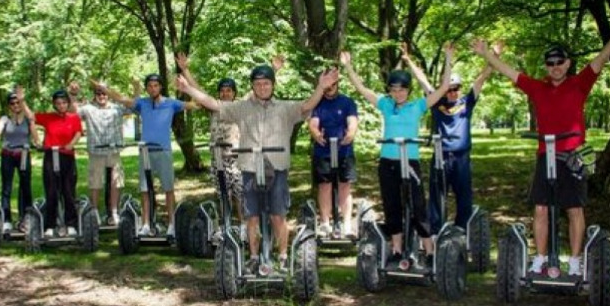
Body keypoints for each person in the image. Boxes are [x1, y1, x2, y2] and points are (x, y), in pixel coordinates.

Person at [472, 9, 610, 276]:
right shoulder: (538, 88)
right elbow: (508, 72)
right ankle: (541, 258)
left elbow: (603, 57)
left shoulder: (579, 84)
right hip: (545, 154)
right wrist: (487, 54)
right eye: (550, 62)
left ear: (567, 64)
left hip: (573, 155)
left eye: (559, 61)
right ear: (546, 66)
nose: (555, 66)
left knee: (574, 208)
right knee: (541, 208)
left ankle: (576, 261)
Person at [177, 64, 337, 274]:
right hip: (251, 168)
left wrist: (321, 87)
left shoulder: (285, 108)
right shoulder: (242, 108)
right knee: (251, 216)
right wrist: (188, 90)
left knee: (277, 215)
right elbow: (214, 104)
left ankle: (282, 257)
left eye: (266, 83)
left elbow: (307, 106)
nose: (262, 87)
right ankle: (253, 257)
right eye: (258, 84)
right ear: (252, 86)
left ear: (273, 85)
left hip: (277, 167)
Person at [340, 44, 452, 267]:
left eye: (401, 89)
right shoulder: (385, 104)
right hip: (388, 161)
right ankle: (397, 249)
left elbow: (443, 88)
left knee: (418, 205)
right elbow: (361, 88)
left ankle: (429, 250)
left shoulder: (418, 106)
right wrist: (348, 66)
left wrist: (448, 58)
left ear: (408, 90)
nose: (397, 93)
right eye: (393, 89)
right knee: (392, 207)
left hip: (409, 161)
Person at [399, 42, 499, 234]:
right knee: (437, 197)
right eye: (449, 88)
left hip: (461, 157)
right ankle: (435, 233)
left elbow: (482, 78)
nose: (452, 92)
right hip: (440, 156)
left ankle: (463, 231)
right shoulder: (437, 101)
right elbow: (422, 81)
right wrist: (408, 60)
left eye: (456, 88)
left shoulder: (467, 101)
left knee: (464, 197)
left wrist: (493, 55)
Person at [107, 73, 200, 237]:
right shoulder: (142, 103)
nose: (152, 88)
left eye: (156, 85)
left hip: (163, 151)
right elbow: (121, 99)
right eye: (149, 86)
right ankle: (145, 224)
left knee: (168, 189)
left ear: (161, 87)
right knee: (145, 190)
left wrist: (187, 84)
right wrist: (104, 89)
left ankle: (171, 225)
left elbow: (197, 104)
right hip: (145, 152)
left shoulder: (171, 103)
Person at [70, 80, 140, 225]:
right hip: (96, 151)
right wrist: (73, 94)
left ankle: (114, 212)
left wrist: (137, 89)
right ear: (95, 95)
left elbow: (134, 106)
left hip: (114, 151)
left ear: (108, 93)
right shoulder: (88, 109)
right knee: (95, 183)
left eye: (104, 93)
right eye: (98, 93)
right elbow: (73, 112)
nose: (101, 96)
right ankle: (94, 211)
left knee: (117, 181)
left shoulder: (117, 108)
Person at [18, 87, 83, 237]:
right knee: (52, 192)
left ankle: (71, 224)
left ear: (67, 104)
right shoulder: (48, 117)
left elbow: (78, 132)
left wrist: (71, 144)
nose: (61, 105)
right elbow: (31, 116)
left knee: (68, 191)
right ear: (54, 104)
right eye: (58, 103)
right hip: (50, 155)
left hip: (67, 156)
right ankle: (50, 225)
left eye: (64, 103)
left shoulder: (73, 118)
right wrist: (21, 101)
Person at [307, 70, 359, 238]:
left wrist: (350, 134)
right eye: (326, 84)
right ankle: (324, 223)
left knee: (345, 186)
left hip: (344, 150)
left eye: (333, 84)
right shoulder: (318, 103)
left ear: (337, 84)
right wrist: (316, 133)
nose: (330, 87)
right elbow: (313, 123)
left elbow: (352, 122)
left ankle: (347, 224)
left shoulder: (347, 102)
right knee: (325, 186)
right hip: (323, 150)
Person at [0, 87, 40, 233]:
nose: (15, 105)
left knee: (25, 187)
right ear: (9, 106)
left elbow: (36, 135)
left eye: (17, 103)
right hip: (8, 154)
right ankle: (6, 219)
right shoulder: (5, 119)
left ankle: (26, 217)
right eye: (12, 103)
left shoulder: (28, 119)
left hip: (23, 154)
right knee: (7, 188)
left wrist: (23, 100)